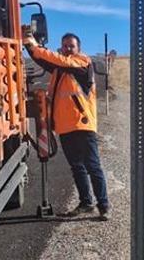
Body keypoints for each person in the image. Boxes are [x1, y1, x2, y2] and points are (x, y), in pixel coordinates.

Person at [23, 31, 111, 221]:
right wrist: (30, 46)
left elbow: (54, 59)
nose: (68, 49)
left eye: (71, 46)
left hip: (82, 124)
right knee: (77, 167)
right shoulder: (59, 68)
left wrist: (34, 45)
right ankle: (86, 203)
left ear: (79, 49)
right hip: (64, 127)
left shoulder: (82, 63)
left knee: (92, 166)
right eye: (64, 46)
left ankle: (103, 206)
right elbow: (44, 59)